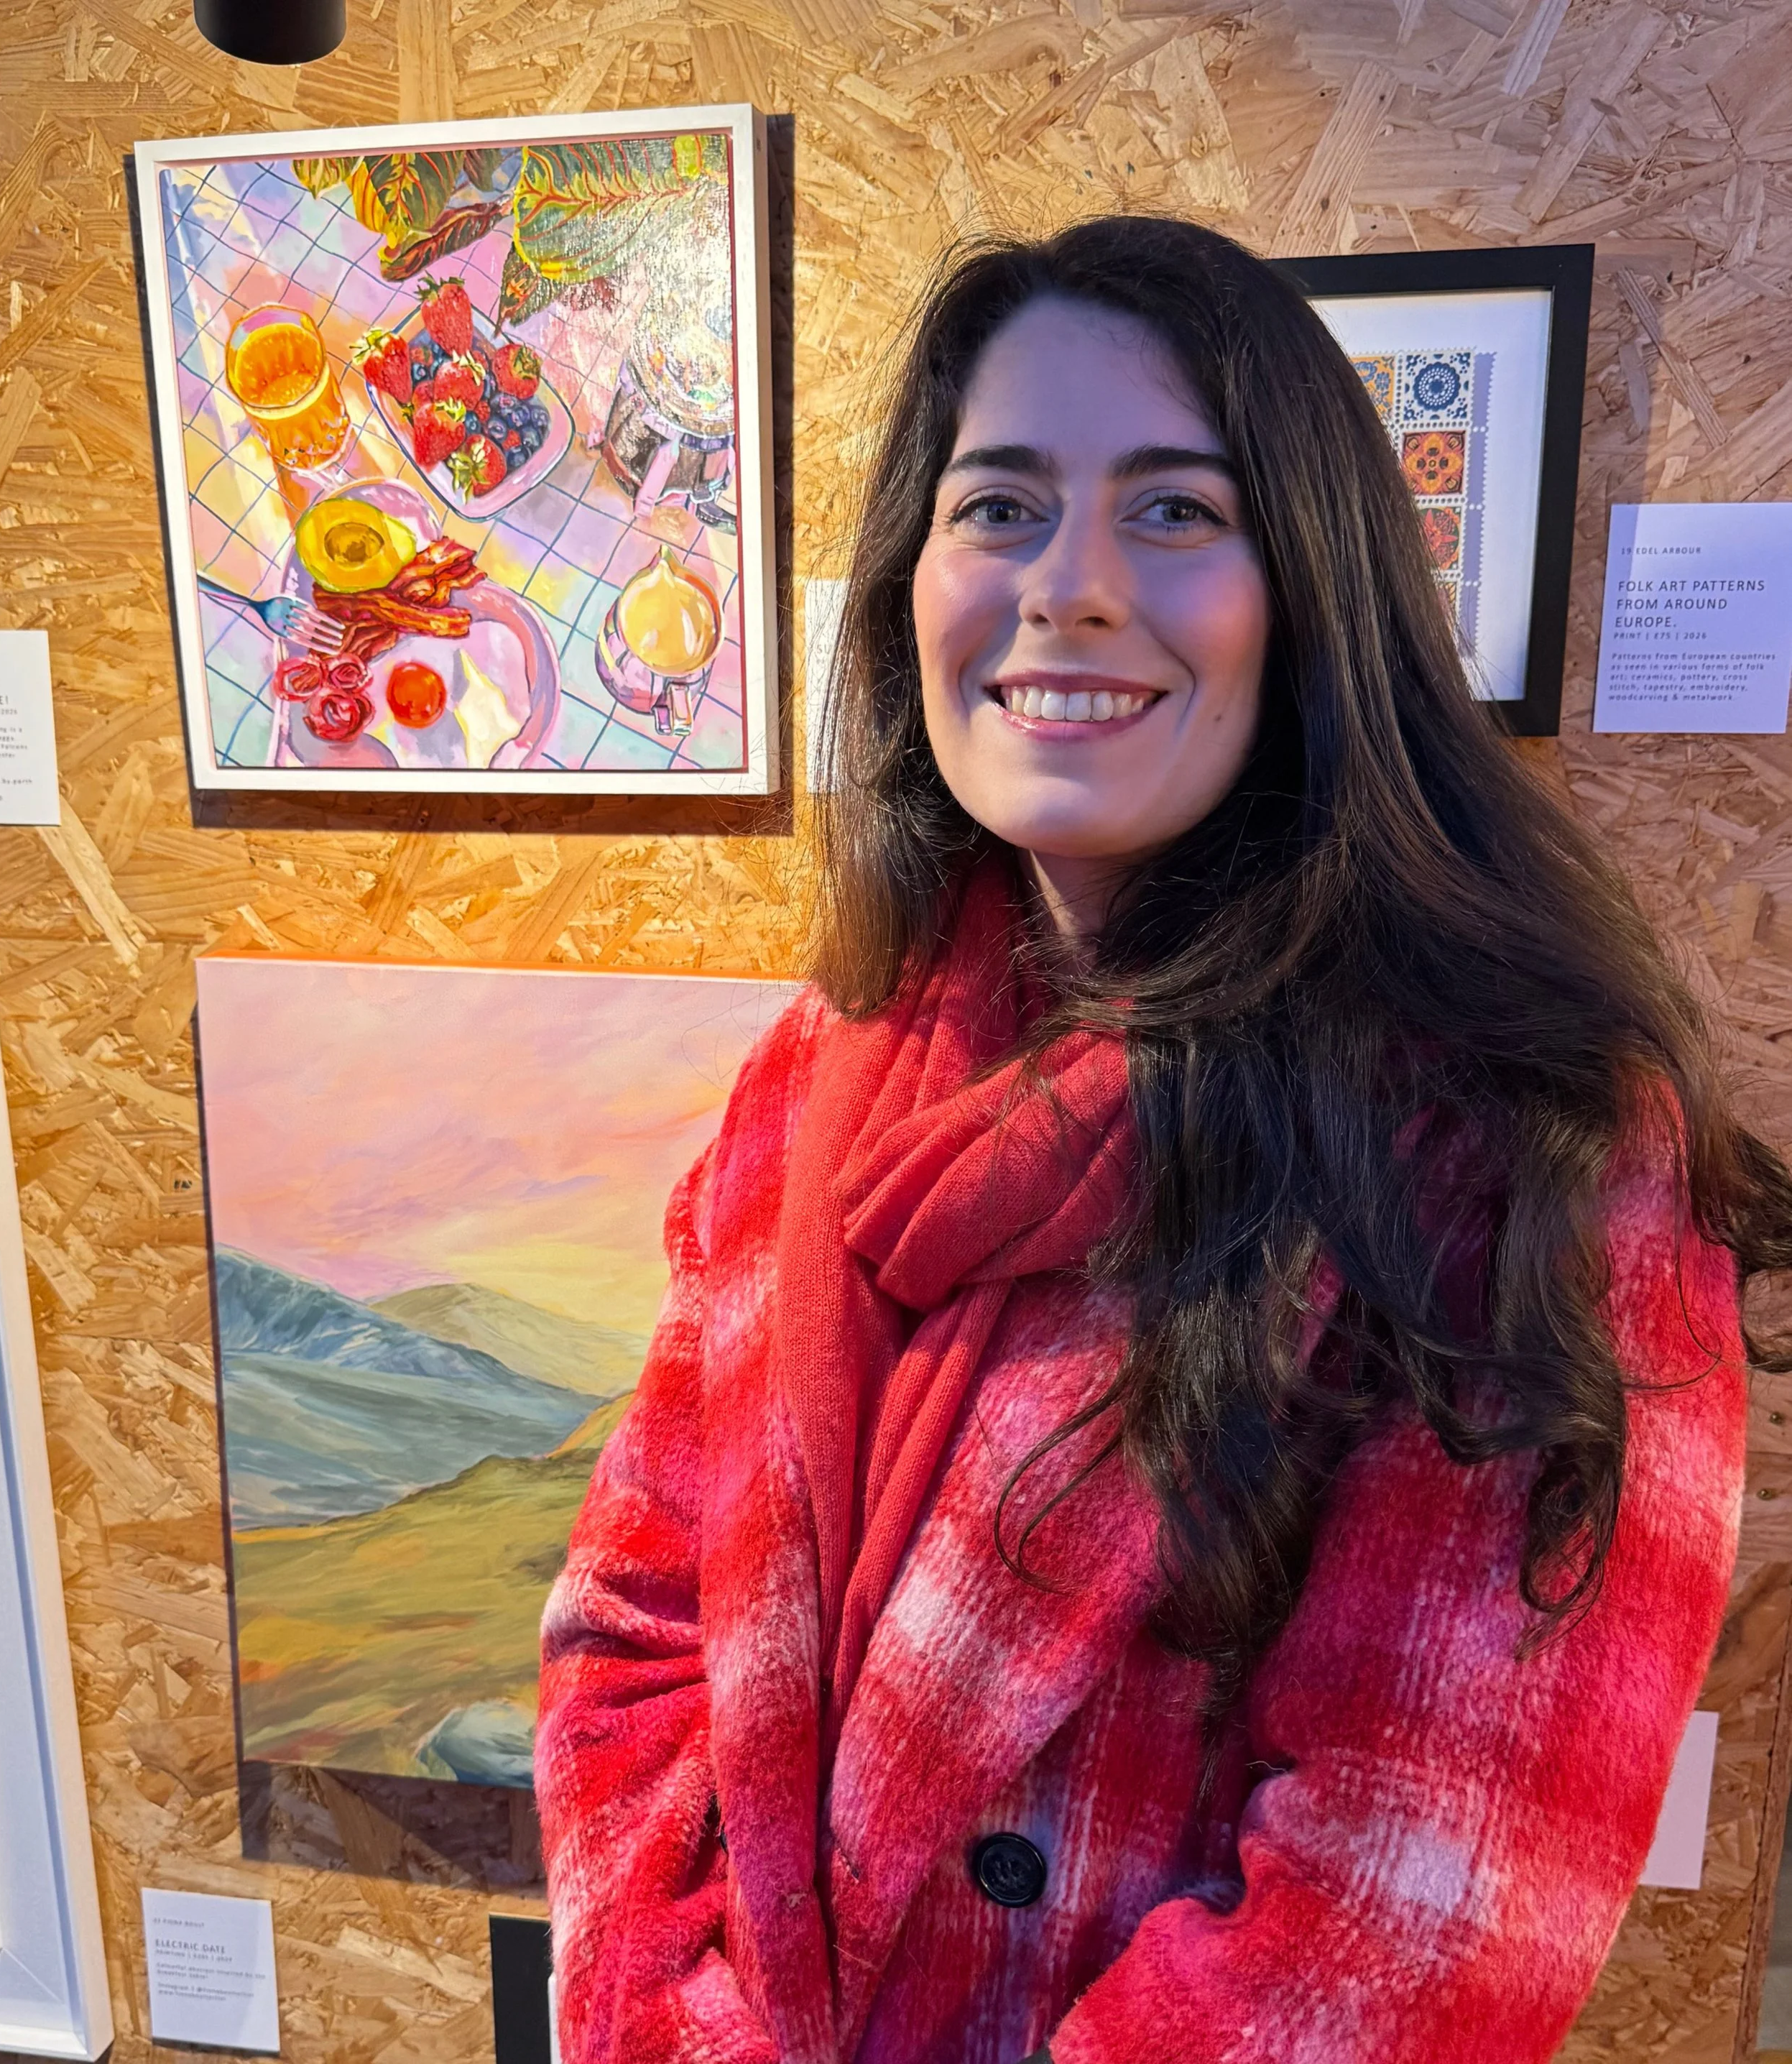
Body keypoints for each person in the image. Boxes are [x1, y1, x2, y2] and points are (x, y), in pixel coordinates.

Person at [534, 216, 1792, 2064]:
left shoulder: (1526, 1147)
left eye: (1176, 510)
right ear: (911, 571)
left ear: (1311, 588)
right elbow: (629, 1624)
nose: (1068, 587)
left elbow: (1402, 1928)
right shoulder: (819, 1075)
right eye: (999, 505)